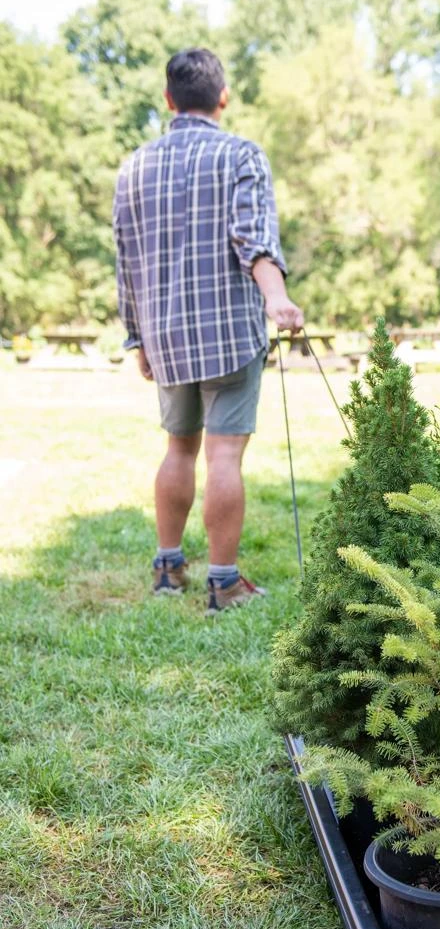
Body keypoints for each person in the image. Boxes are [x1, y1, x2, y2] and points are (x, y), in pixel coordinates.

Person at [112, 47, 303, 614]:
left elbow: (126, 261)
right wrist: (278, 299)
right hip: (229, 335)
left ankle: (167, 570)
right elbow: (254, 241)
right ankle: (223, 582)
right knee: (223, 456)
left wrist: (136, 337)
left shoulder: (135, 167)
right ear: (223, 97)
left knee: (178, 448)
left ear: (168, 99)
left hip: (165, 335)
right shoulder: (242, 155)